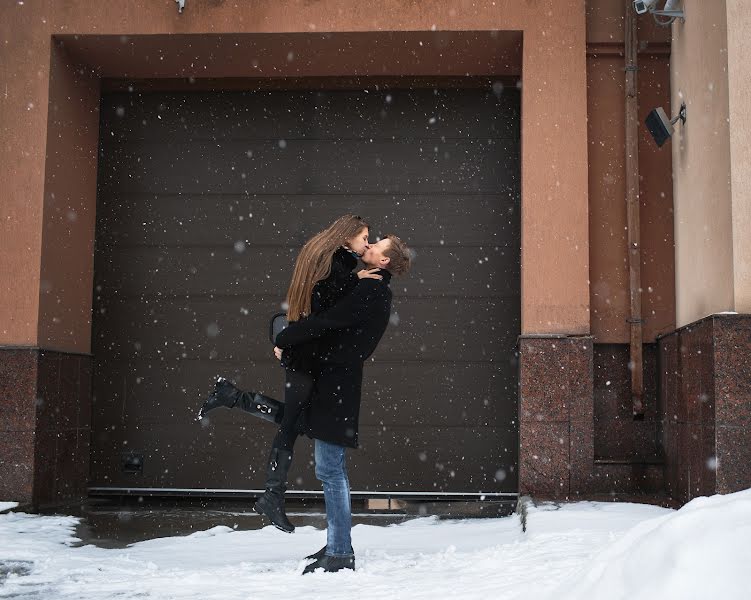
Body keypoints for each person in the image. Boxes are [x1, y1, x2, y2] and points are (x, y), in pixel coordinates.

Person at [198, 215, 383, 532]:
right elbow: (326, 310)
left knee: (297, 422)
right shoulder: (334, 267)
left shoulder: (325, 257)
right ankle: (271, 495)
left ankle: (233, 399)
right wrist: (360, 282)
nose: (367, 243)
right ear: (346, 238)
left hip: (304, 352)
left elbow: (318, 307)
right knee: (293, 424)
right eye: (364, 237)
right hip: (305, 354)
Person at [273, 234, 412, 574]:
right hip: (336, 383)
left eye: (378, 244)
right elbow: (331, 316)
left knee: (331, 470)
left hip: (338, 386)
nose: (372, 243)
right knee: (329, 468)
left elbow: (328, 323)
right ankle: (338, 544)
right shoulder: (371, 287)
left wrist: (286, 338)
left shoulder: (373, 290)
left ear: (384, 262)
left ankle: (339, 552)